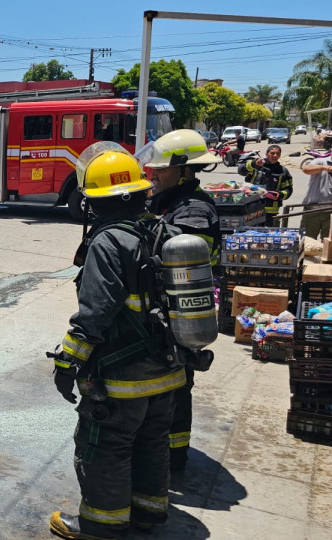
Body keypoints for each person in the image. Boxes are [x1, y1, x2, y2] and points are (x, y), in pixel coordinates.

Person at [49, 144, 187, 540]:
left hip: (122, 378)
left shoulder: (108, 242)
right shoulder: (166, 231)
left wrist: (68, 362)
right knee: (151, 443)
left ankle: (101, 525)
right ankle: (149, 514)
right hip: (169, 371)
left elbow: (95, 313)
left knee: (106, 447)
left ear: (95, 202)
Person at [140, 129, 222, 471]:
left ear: (185, 171)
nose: (153, 174)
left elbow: (178, 251)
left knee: (176, 388)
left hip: (181, 313)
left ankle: (174, 457)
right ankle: (167, 453)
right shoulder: (176, 203)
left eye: (160, 169)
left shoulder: (194, 211)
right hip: (169, 310)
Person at [242, 145, 293, 227]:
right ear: (266, 154)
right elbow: (242, 170)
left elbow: (288, 190)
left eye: (277, 154)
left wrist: (279, 194)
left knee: (269, 237)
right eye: (272, 153)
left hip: (271, 212)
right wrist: (253, 163)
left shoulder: (283, 171)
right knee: (251, 235)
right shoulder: (257, 166)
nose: (275, 156)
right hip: (252, 208)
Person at [301, 156, 332, 239]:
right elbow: (306, 169)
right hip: (312, 210)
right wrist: (324, 168)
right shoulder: (321, 161)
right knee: (306, 241)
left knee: (328, 244)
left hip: (330, 213)